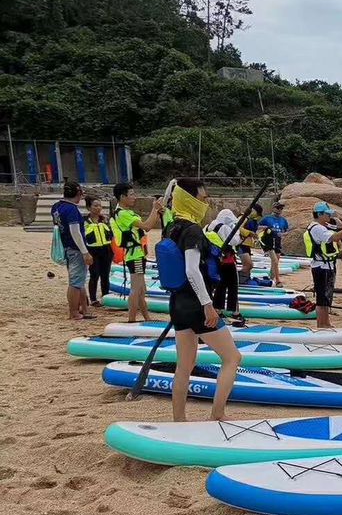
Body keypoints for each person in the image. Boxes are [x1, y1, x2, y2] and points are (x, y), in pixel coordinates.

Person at [163, 178, 242, 422]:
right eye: (202, 197)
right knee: (232, 358)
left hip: (177, 303)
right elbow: (192, 270)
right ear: (189, 199)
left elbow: (169, 197)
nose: (205, 201)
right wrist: (208, 305)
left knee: (184, 365)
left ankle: (179, 420)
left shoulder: (171, 227)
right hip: (196, 304)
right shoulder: (192, 230)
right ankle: (217, 414)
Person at [111, 182, 163, 323]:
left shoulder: (125, 213)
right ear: (123, 197)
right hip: (135, 256)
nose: (134, 197)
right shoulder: (123, 214)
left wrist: (157, 212)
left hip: (136, 255)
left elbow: (148, 226)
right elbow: (147, 226)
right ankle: (131, 320)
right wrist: (154, 209)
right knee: (136, 289)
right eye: (132, 194)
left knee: (141, 290)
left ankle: (147, 318)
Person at [304, 202, 342, 328]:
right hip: (321, 267)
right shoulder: (317, 228)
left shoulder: (324, 226)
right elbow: (335, 237)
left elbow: (338, 230)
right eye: (327, 214)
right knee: (322, 299)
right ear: (319, 214)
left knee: (326, 298)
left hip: (327, 266)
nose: (329, 216)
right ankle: (321, 324)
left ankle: (326, 323)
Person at [52, 182, 94, 320]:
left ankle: (83, 309)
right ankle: (74, 312)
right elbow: (75, 232)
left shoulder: (56, 206)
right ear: (79, 193)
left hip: (66, 247)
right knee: (75, 282)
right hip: (75, 248)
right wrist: (85, 252)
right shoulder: (71, 210)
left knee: (78, 279)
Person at [206, 209, 243, 324]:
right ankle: (235, 312)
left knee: (220, 286)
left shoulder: (209, 226)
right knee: (232, 286)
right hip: (228, 261)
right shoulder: (225, 227)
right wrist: (236, 230)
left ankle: (218, 309)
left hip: (215, 261)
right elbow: (235, 241)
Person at [83, 196, 113, 307]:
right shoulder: (84, 221)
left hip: (106, 250)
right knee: (94, 274)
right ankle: (93, 299)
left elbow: (112, 234)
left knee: (105, 275)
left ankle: (106, 296)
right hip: (92, 250)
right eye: (95, 206)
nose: (98, 208)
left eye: (100, 206)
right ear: (89, 208)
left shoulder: (105, 220)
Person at [259, 201, 289, 287]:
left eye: (281, 208)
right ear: (273, 208)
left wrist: (282, 234)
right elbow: (257, 227)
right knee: (275, 261)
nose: (280, 210)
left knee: (275, 262)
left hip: (277, 241)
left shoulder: (283, 220)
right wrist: (265, 228)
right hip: (268, 241)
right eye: (278, 208)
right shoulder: (267, 218)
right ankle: (278, 280)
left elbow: (287, 231)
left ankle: (271, 280)